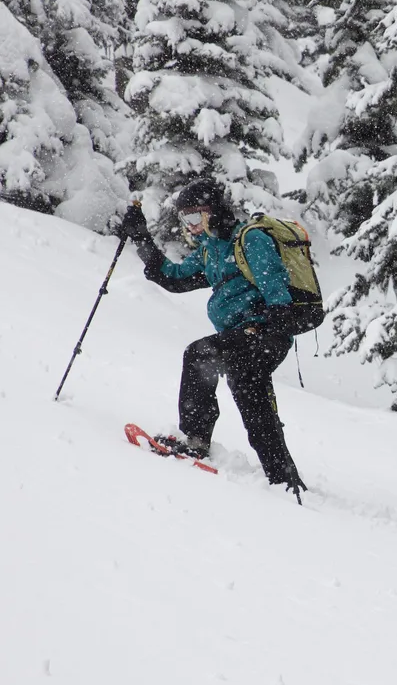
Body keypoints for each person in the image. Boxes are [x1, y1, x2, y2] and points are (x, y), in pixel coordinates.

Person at [114, 179, 306, 497]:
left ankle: (195, 440)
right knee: (252, 403)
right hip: (241, 337)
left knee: (200, 353)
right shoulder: (210, 250)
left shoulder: (250, 240)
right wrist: (141, 238)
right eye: (184, 218)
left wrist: (267, 333)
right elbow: (174, 278)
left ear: (212, 212)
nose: (189, 226)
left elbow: (277, 291)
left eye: (194, 216)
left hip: (264, 334)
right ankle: (284, 479)